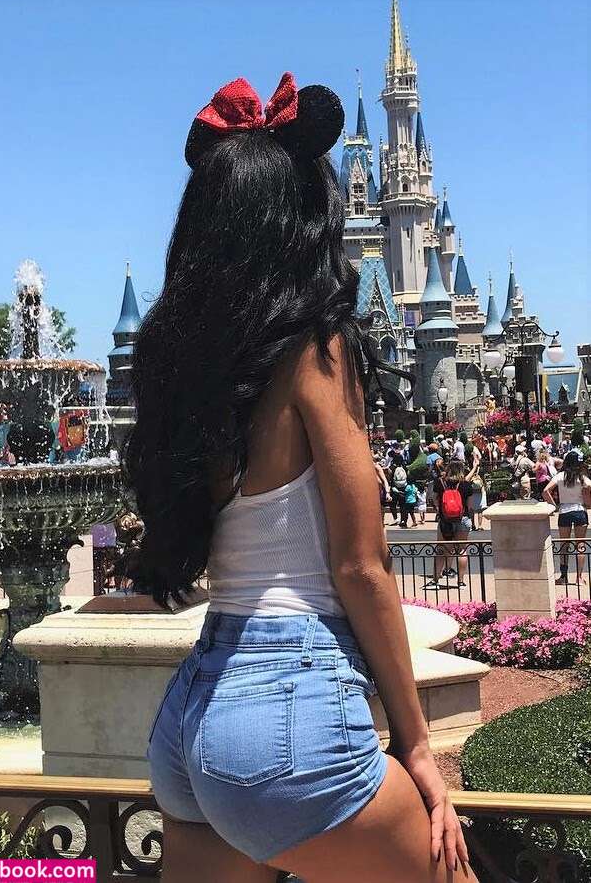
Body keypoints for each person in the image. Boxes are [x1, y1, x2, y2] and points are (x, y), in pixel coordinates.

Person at [123, 73, 472, 882]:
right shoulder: (317, 346)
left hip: (191, 717)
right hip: (288, 711)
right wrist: (417, 743)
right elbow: (361, 565)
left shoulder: (181, 361)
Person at [543, 451, 591, 587]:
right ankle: (579, 577)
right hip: (579, 510)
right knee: (580, 544)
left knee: (564, 545)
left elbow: (545, 491)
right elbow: (589, 487)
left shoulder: (560, 476)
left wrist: (554, 506)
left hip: (564, 510)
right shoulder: (582, 477)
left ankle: (563, 576)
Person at [428, 461, 476, 589]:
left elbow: (435, 499)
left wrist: (441, 510)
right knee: (462, 550)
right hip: (462, 518)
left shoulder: (440, 483)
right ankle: (461, 582)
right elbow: (470, 505)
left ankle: (435, 581)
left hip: (445, 520)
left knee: (441, 549)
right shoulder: (466, 485)